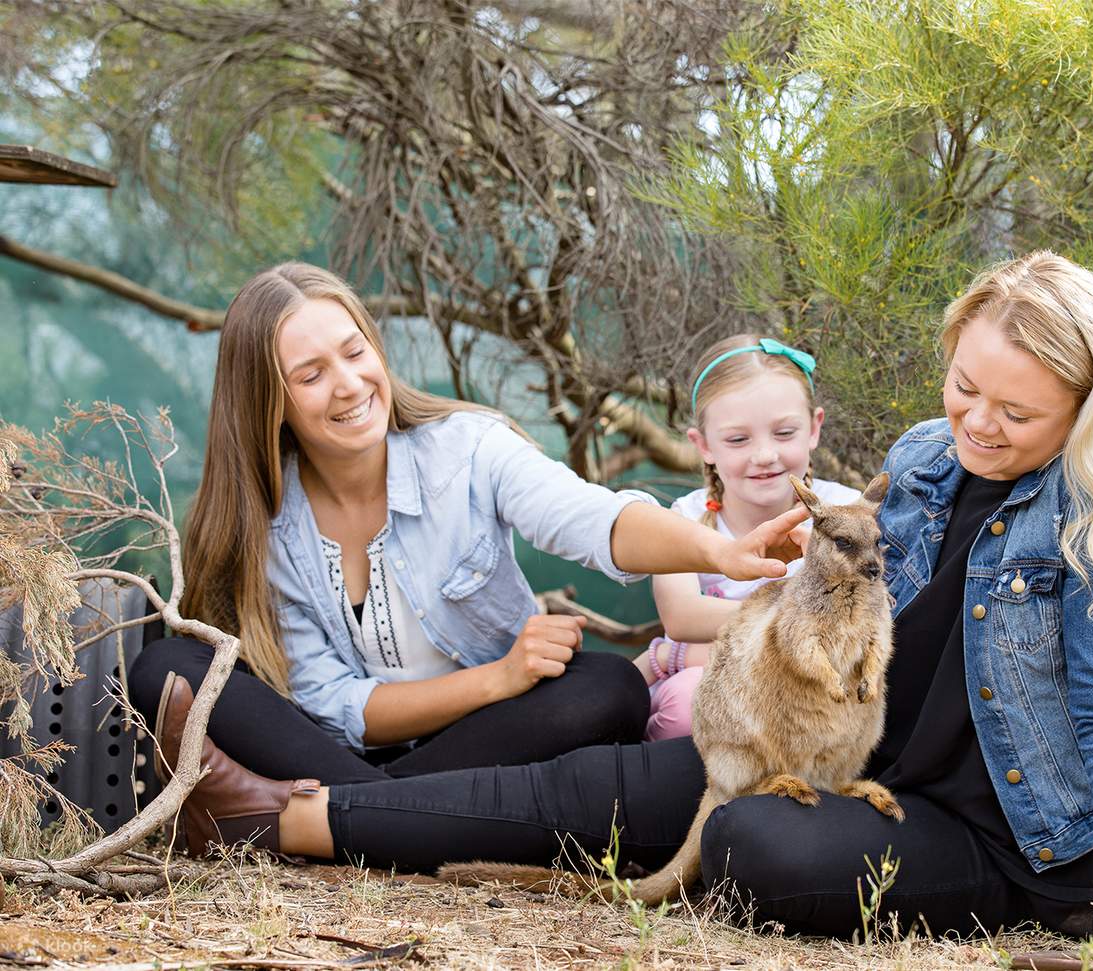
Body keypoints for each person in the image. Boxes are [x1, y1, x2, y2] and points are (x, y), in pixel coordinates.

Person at [136, 256, 1093, 966]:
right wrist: (773, 558)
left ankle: (300, 805)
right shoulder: (928, 456)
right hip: (851, 758)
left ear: (1086, 407)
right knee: (594, 786)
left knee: (744, 846)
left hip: (994, 834)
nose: (977, 423)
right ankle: (275, 823)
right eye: (963, 386)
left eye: (1016, 411)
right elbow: (861, 601)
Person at [127, 262, 807, 855]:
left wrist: (719, 548)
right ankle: (381, 812)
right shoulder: (268, 523)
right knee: (169, 664)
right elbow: (331, 704)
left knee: (608, 691)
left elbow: (593, 519)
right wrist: (499, 677)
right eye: (310, 374)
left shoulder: (467, 449)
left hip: (489, 744)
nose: (347, 383)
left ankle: (314, 816)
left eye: (354, 351)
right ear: (269, 399)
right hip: (328, 749)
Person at [632, 334, 860, 740]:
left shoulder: (848, 513)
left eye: (785, 433)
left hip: (811, 703)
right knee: (687, 701)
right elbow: (681, 617)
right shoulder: (685, 518)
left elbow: (855, 629)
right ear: (702, 445)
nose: (765, 455)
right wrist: (804, 619)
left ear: (814, 428)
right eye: (738, 439)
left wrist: (673, 656)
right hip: (703, 697)